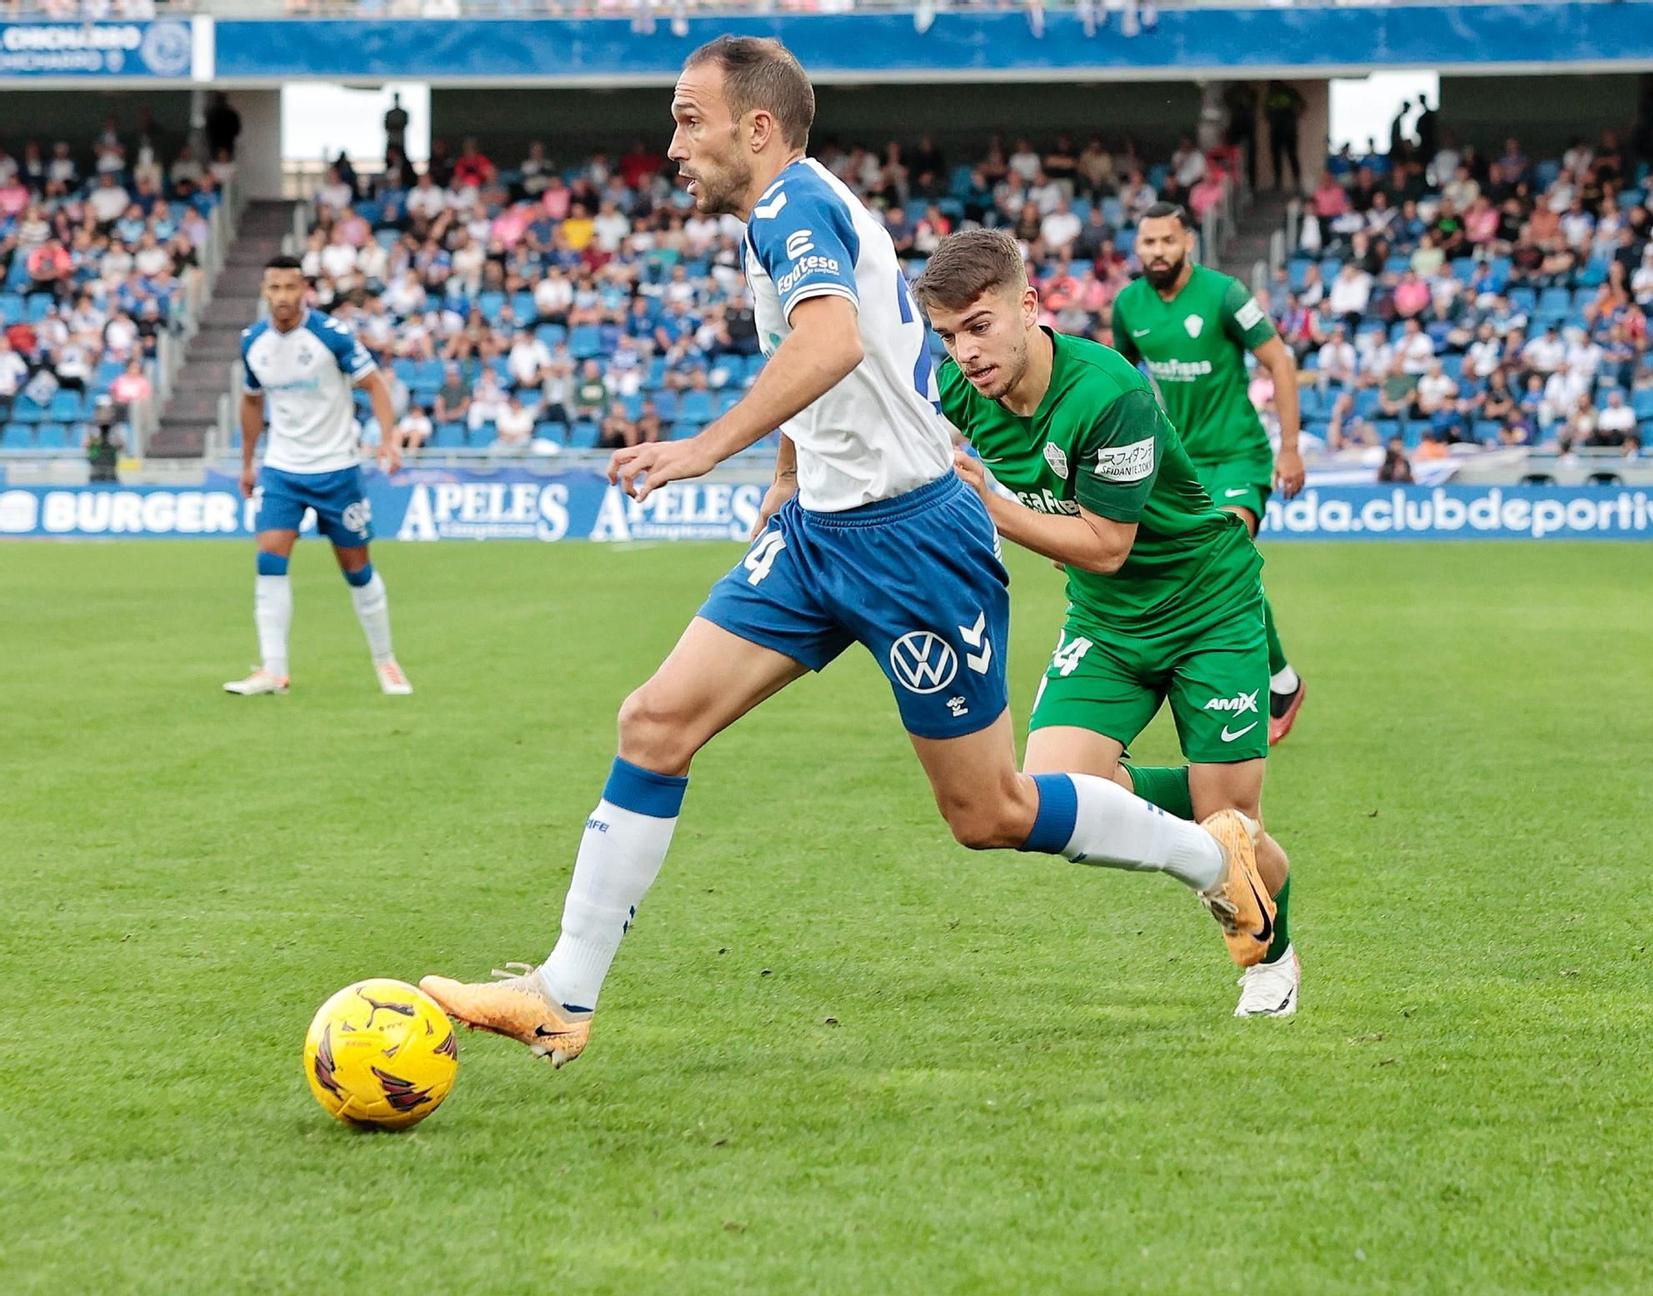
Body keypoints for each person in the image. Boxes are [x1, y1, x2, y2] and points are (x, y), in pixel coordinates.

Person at [419, 37, 1268, 1069]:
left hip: (914, 540)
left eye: (690, 119)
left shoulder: (790, 208)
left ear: (758, 128)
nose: (672, 143)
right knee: (653, 722)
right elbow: (820, 356)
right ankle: (564, 993)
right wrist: (783, 480)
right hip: (819, 533)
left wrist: (701, 450)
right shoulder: (780, 217)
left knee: (988, 810)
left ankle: (1208, 861)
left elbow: (829, 344)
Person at [919, 228, 1300, 1016]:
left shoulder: (1108, 393)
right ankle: (1213, 814)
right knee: (1058, 793)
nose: (966, 353)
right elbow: (855, 383)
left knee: (1243, 830)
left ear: (1028, 307)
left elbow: (1105, 545)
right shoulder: (962, 388)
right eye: (948, 336)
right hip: (1107, 623)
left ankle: (1273, 962)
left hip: (1207, 605)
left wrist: (990, 506)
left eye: (980, 326)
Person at [1111, 203, 1308, 742]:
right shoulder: (1128, 306)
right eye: (1147, 242)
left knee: (1219, 557)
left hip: (1239, 455)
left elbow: (1281, 361)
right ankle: (1278, 679)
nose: (1156, 252)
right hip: (1179, 466)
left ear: (1188, 242)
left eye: (1166, 241)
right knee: (1216, 572)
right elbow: (1118, 384)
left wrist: (1288, 448)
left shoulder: (1224, 295)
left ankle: (1258, 686)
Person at [228, 255, 413, 698]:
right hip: (283, 469)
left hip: (337, 469)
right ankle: (274, 670)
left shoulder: (332, 336)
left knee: (357, 569)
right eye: (274, 288)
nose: (283, 297)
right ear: (264, 292)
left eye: (291, 287)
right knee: (269, 560)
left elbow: (375, 386)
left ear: (304, 291)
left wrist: (388, 439)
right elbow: (252, 404)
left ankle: (386, 661)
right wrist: (248, 461)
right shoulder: (253, 342)